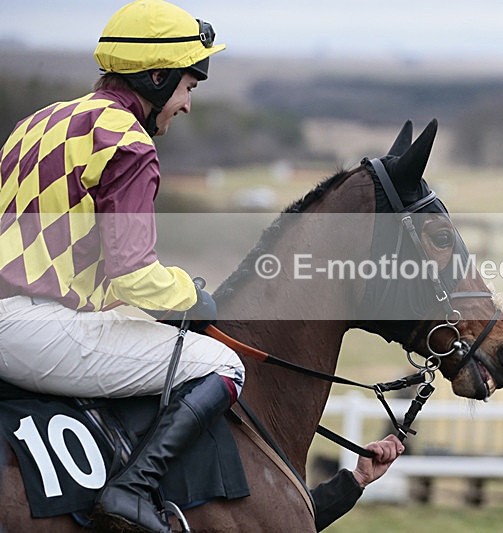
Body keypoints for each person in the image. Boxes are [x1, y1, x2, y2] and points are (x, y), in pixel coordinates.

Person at [0, 1, 404, 532]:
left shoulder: (40, 122)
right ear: (157, 76)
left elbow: (71, 252)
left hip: (25, 319)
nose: (187, 105)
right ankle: (133, 490)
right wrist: (191, 294)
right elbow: (135, 275)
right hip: (41, 331)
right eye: (189, 86)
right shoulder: (127, 142)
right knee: (222, 364)